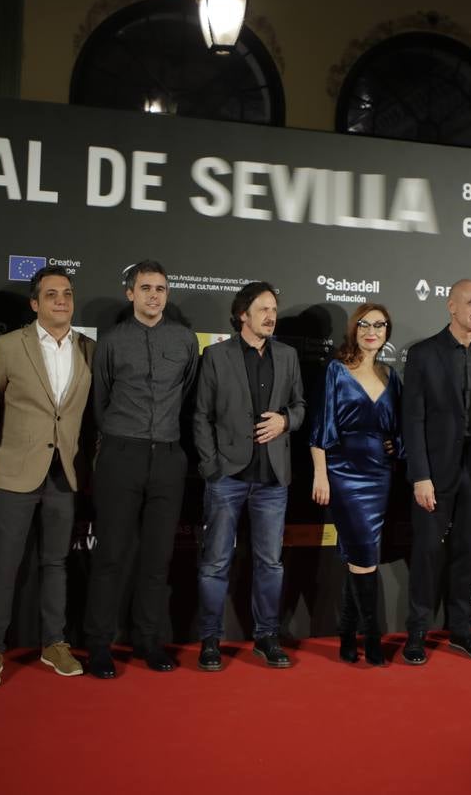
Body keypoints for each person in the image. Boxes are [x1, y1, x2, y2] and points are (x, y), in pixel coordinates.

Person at [0, 267, 95, 687]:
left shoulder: (88, 349)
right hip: (12, 471)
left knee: (56, 562)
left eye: (67, 293)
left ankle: (54, 643)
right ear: (34, 303)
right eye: (51, 294)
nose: (61, 301)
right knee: (3, 565)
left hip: (65, 472)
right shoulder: (7, 346)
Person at [84, 260, 199, 679]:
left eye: (161, 288)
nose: (154, 295)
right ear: (130, 293)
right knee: (111, 555)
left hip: (168, 457)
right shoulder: (112, 342)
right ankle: (99, 644)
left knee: (157, 559)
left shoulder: (186, 341)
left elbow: (187, 395)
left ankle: (148, 640)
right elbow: (100, 401)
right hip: (121, 453)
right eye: (146, 287)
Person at [193, 282, 305, 671]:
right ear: (243, 314)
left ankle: (266, 636)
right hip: (227, 477)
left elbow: (301, 406)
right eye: (262, 309)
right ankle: (210, 639)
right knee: (215, 562)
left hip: (273, 478)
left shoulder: (288, 356)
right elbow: (201, 417)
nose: (271, 316)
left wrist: (286, 421)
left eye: (274, 308)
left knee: (270, 563)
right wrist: (212, 468)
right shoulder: (216, 356)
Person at [401, 279, 471, 665]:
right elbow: (412, 420)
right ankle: (417, 632)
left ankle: (462, 630)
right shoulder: (424, 354)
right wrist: (420, 475)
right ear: (451, 306)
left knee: (468, 553)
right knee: (428, 553)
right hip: (435, 471)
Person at [310, 303, 403, 666]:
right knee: (365, 557)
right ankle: (374, 638)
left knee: (358, 558)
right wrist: (320, 473)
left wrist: (395, 444)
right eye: (365, 324)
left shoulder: (391, 375)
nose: (372, 331)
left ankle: (348, 634)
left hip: (380, 474)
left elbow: (399, 427)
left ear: (386, 333)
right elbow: (320, 426)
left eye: (380, 325)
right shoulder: (336, 370)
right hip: (343, 472)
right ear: (354, 329)